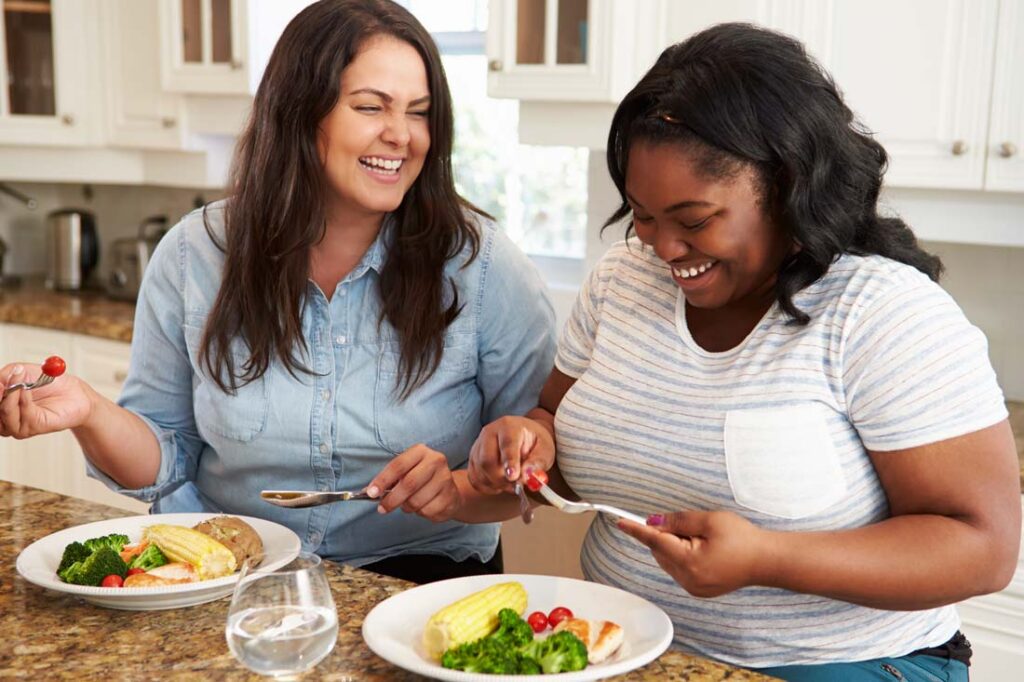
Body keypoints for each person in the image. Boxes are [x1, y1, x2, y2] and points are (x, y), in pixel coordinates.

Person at [465, 22, 1021, 681]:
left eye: (694, 221)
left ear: (787, 185)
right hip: (622, 651)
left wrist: (767, 559)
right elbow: (556, 431)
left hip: (844, 665)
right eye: (643, 215)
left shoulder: (883, 313)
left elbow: (982, 548)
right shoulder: (620, 283)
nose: (663, 248)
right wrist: (527, 443)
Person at [0, 0, 555, 585]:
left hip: (417, 582)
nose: (401, 135)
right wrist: (88, 410)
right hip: (228, 575)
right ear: (298, 113)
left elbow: (532, 474)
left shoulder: (481, 264)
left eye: (419, 113)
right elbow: (165, 459)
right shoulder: (196, 253)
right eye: (371, 107)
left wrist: (459, 489)